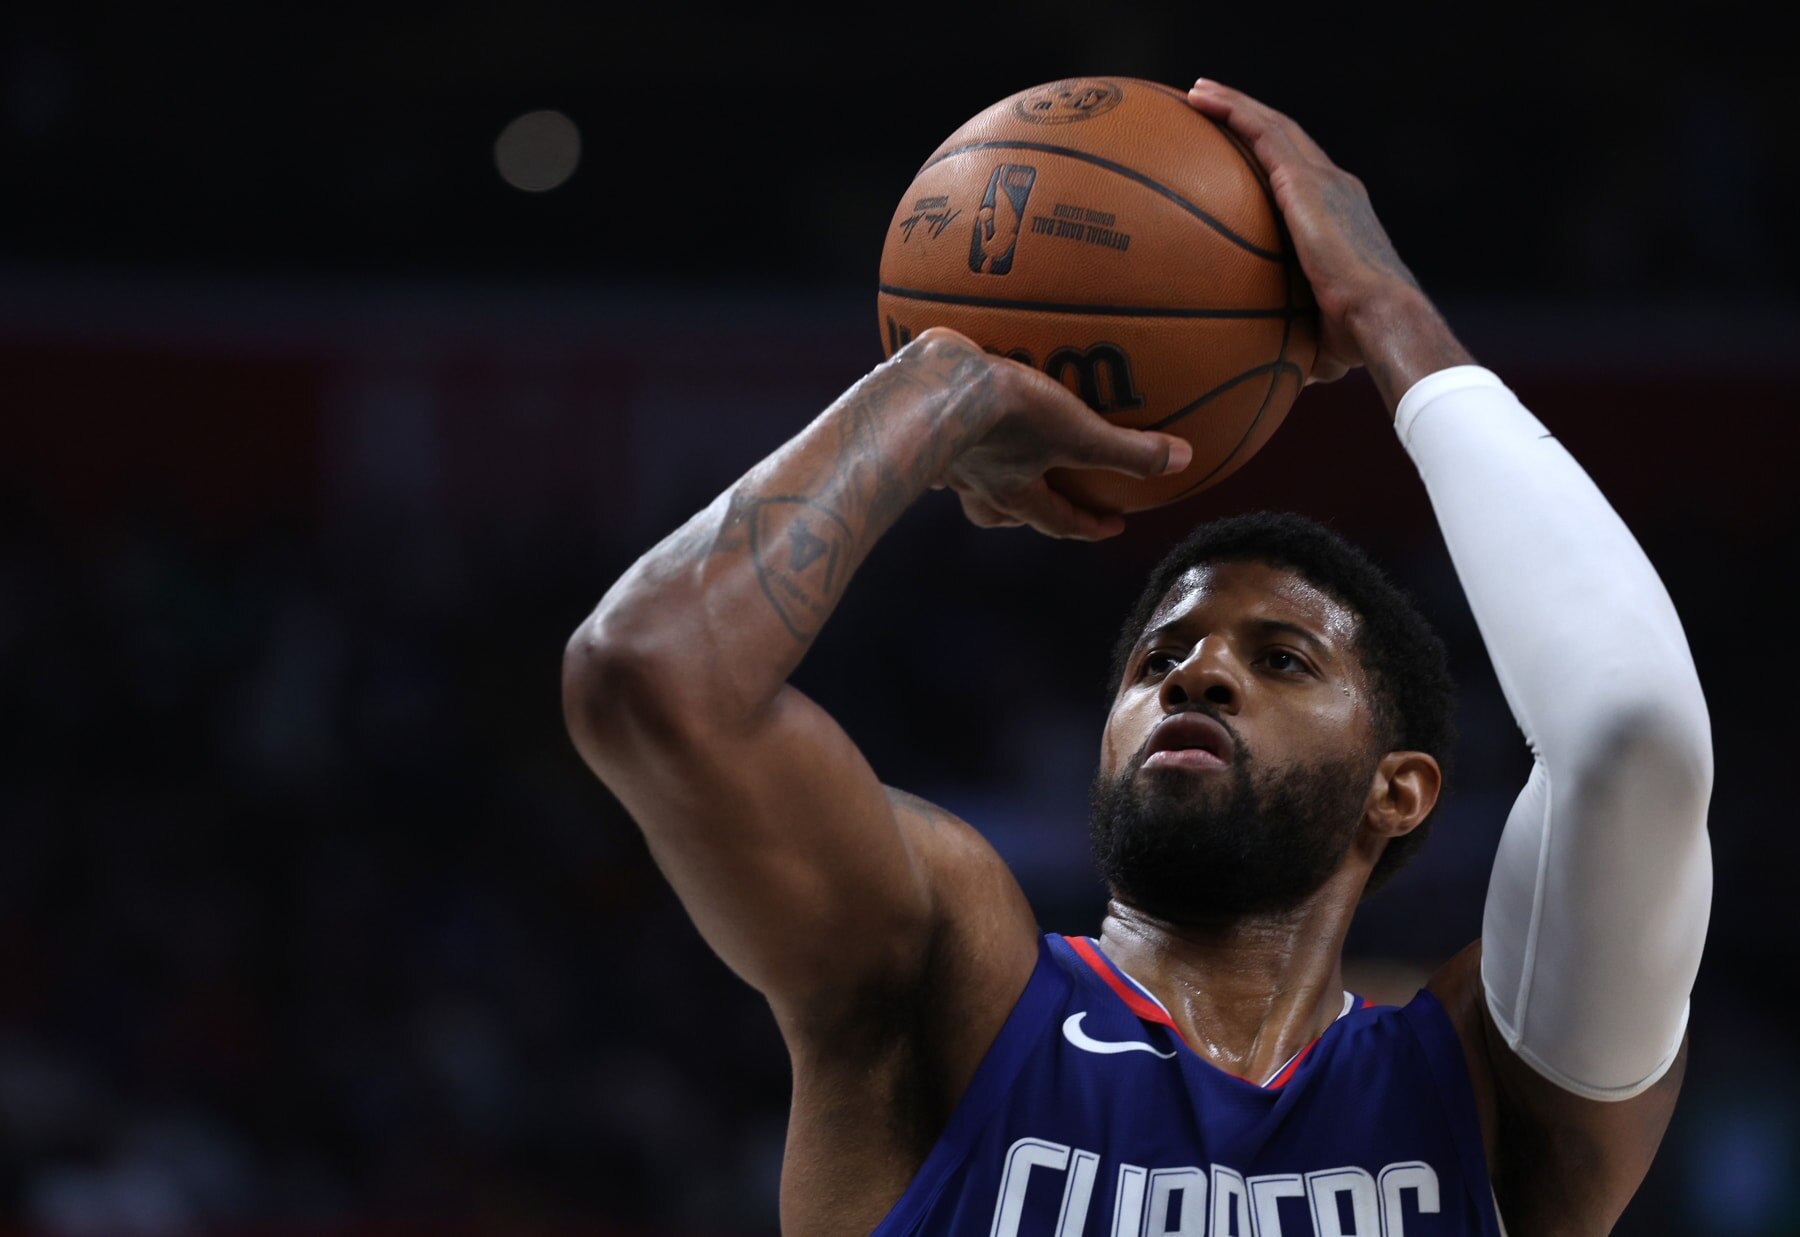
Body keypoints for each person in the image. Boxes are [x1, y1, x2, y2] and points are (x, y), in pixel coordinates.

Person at [561, 78, 1713, 1236]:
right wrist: (942, 382)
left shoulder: (1476, 1090)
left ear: (1398, 790)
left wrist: (1387, 313)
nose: (1197, 675)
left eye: (1284, 660)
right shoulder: (953, 986)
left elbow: (1637, 736)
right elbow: (650, 674)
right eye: (1159, 658)